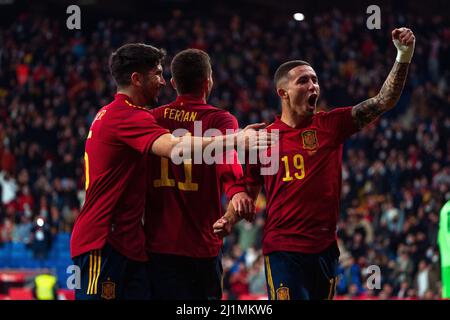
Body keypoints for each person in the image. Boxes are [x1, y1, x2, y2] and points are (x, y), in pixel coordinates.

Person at [214, 27, 415, 300]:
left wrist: (403, 55)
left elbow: (384, 101)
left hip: (325, 250)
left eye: (315, 80)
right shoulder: (263, 139)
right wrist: (228, 219)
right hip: (284, 250)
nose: (313, 86)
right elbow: (247, 192)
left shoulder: (331, 125)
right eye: (304, 81)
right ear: (283, 92)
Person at [70, 43, 273, 300]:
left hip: (137, 246)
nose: (163, 82)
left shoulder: (144, 116)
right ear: (136, 79)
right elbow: (177, 148)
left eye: (166, 76)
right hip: (104, 240)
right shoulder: (129, 116)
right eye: (157, 74)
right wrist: (236, 141)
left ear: (177, 83)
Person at [145, 48, 254, 300]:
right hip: (203, 246)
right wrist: (237, 192)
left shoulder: (151, 118)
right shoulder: (220, 120)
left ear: (172, 83)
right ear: (209, 82)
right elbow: (228, 162)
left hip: (159, 247)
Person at [438, 200, 450, 299]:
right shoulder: (447, 209)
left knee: (447, 293)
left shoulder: (445, 209)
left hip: (446, 262)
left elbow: (440, 238)